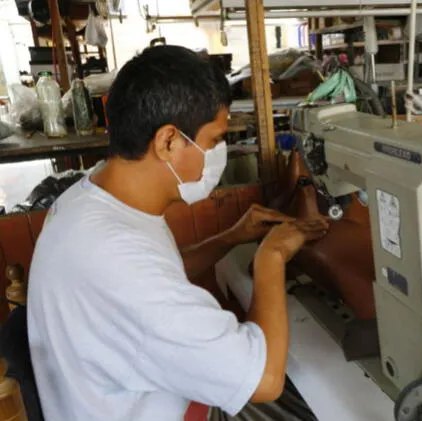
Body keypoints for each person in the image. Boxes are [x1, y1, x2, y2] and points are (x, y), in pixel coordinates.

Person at [27, 45, 328, 421]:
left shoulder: (93, 200)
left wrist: (229, 237)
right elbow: (264, 380)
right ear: (168, 141)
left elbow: (158, 274)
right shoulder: (116, 260)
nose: (218, 152)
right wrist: (272, 257)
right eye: (214, 141)